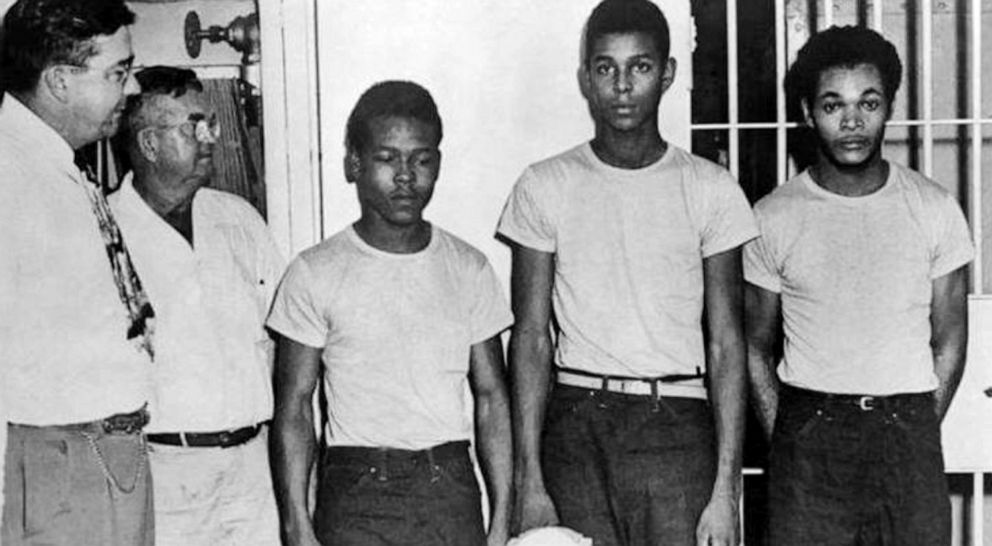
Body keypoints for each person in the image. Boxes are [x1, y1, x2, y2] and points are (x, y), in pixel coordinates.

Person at [496, 1, 756, 544]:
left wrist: (725, 489)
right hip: (576, 423)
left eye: (639, 66)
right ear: (585, 78)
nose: (621, 85)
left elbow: (728, 343)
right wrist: (530, 477)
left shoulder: (710, 189)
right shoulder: (546, 184)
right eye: (605, 67)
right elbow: (530, 340)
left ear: (666, 73)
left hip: (679, 425)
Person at [744, 25, 974, 546]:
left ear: (889, 105)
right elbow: (753, 345)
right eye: (833, 105)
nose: (851, 121)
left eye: (868, 103)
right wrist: (790, 433)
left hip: (907, 436)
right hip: (809, 438)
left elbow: (951, 340)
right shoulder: (772, 217)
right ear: (807, 112)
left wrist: (912, 424)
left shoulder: (934, 209)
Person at [267, 80, 513, 546]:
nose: (406, 176)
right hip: (357, 492)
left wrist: (501, 515)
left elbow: (491, 398)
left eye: (421, 160)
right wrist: (296, 522)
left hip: (449, 488)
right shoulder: (314, 271)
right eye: (387, 158)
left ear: (437, 165)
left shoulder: (468, 267)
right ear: (354, 163)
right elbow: (295, 407)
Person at [109, 65, 285, 546]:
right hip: (164, 473)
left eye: (212, 123)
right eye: (193, 126)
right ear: (148, 144)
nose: (210, 137)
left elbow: (282, 343)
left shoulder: (238, 219)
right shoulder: (105, 231)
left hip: (253, 468)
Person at [0, 0, 155, 544]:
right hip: (58, 463)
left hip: (105, 451)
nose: (131, 90)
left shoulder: (58, 162)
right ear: (60, 81)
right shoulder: (10, 176)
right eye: (117, 73)